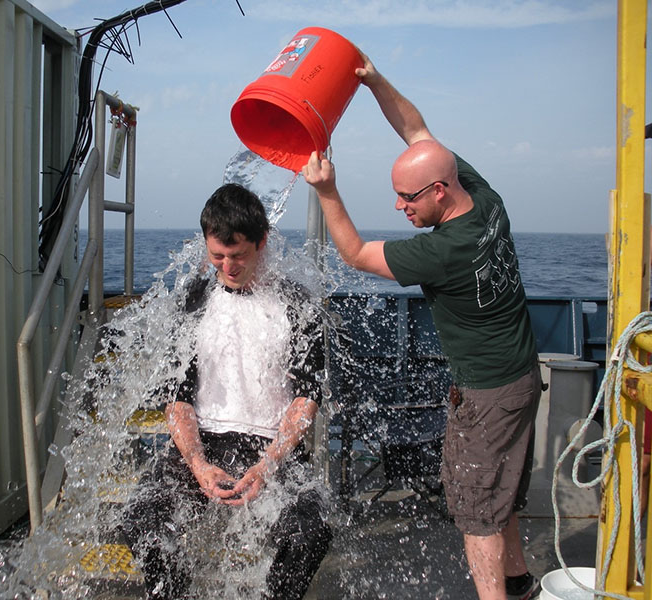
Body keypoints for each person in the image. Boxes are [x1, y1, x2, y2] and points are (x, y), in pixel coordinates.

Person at [302, 53, 542, 600]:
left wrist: (327, 190)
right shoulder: (485, 200)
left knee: (477, 511)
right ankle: (520, 581)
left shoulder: (443, 251)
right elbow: (416, 130)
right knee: (500, 492)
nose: (400, 206)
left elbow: (358, 253)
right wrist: (373, 81)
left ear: (438, 191)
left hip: (486, 396)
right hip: (522, 379)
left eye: (408, 198)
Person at [121, 183, 332, 600]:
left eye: (238, 256)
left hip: (272, 446)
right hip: (207, 441)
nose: (228, 267)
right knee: (138, 519)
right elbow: (177, 397)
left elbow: (307, 398)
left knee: (313, 531)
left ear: (262, 242)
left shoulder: (296, 303)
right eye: (217, 256)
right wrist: (197, 462)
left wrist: (268, 464)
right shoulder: (194, 302)